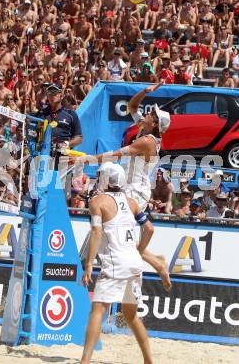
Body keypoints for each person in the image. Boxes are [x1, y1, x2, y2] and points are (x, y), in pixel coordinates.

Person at [77, 82, 171, 291]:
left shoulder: (147, 141)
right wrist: (146, 91)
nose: (146, 114)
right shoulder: (145, 130)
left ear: (154, 123)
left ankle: (145, 271)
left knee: (116, 236)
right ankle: (157, 263)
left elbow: (117, 153)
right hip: (129, 189)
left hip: (135, 191)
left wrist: (92, 159)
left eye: (151, 114)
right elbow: (132, 107)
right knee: (118, 237)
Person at [81, 162, 154, 364]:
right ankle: (149, 361)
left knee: (98, 310)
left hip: (115, 264)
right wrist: (139, 252)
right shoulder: (132, 202)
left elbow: (96, 232)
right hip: (134, 264)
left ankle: (84, 362)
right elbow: (149, 229)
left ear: (106, 178)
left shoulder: (97, 201)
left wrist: (89, 264)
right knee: (131, 317)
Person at [37, 83, 83, 149]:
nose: (52, 95)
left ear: (61, 95)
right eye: (49, 93)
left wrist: (66, 144)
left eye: (55, 93)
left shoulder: (71, 114)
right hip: (43, 152)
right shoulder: (41, 113)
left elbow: (79, 138)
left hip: (63, 153)